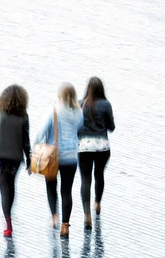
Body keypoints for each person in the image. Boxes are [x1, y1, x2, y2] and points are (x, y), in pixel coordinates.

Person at [34, 83, 83, 238]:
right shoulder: (79, 113)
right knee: (67, 191)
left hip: (52, 156)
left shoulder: (53, 110)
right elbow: (79, 130)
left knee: (51, 186)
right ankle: (65, 226)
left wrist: (33, 149)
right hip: (71, 157)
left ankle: (55, 216)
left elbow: (41, 131)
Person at [0, 85, 31, 237]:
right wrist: (29, 160)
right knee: (10, 188)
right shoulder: (24, 117)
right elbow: (26, 141)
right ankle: (9, 219)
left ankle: (8, 224)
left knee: (4, 189)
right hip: (15, 158)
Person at [78, 77, 115, 230]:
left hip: (84, 147)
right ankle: (97, 203)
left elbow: (77, 127)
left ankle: (87, 215)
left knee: (85, 180)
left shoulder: (81, 104)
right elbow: (112, 127)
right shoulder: (106, 104)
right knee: (99, 175)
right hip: (102, 147)